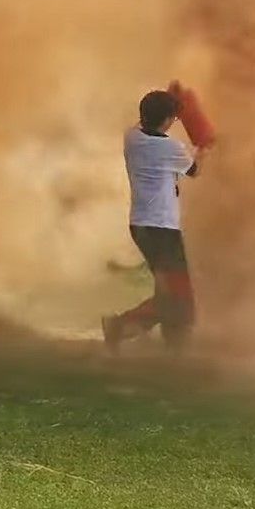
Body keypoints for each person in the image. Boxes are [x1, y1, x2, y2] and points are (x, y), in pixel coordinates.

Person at [102, 89, 206, 351]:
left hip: (141, 225)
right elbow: (195, 170)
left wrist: (167, 106)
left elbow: (150, 124)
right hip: (162, 230)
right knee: (178, 299)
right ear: (167, 119)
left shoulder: (132, 138)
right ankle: (119, 327)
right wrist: (204, 144)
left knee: (170, 292)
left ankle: (173, 346)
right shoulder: (169, 147)